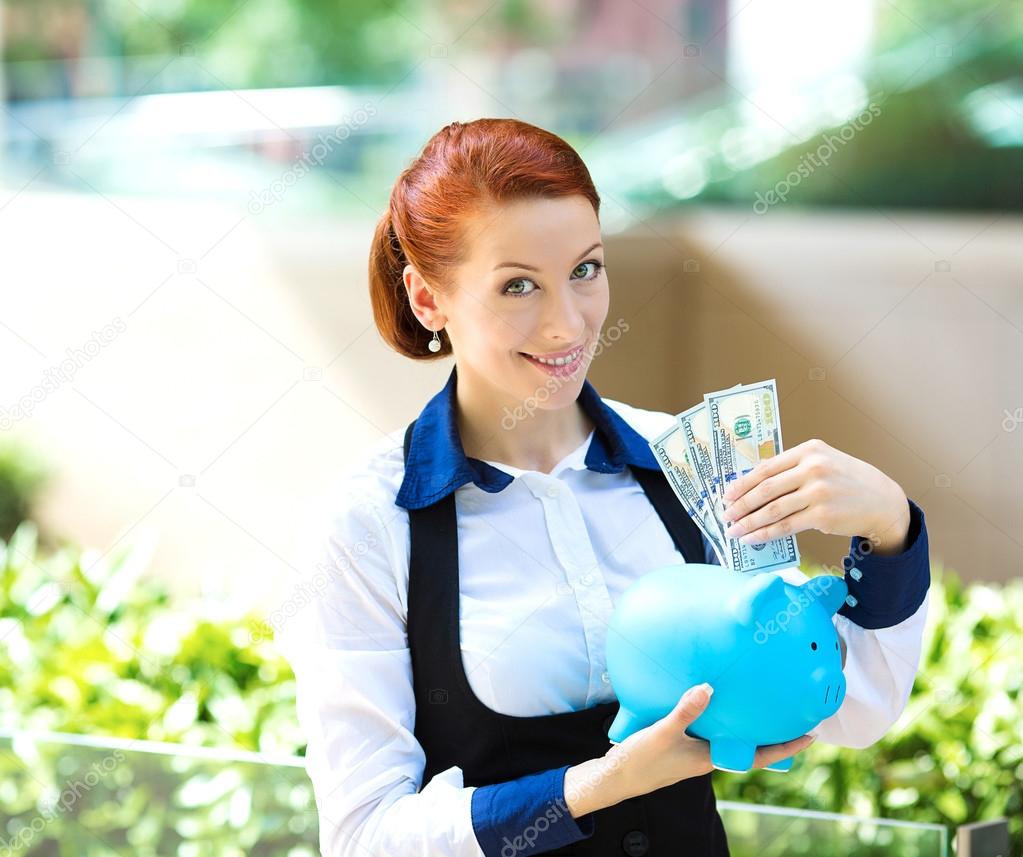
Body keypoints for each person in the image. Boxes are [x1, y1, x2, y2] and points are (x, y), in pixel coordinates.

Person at [278, 118, 931, 857]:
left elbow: (851, 708)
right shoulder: (371, 523)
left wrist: (890, 530)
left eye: (585, 269)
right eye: (517, 285)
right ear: (428, 300)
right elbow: (366, 837)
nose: (566, 325)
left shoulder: (689, 459)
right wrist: (599, 783)